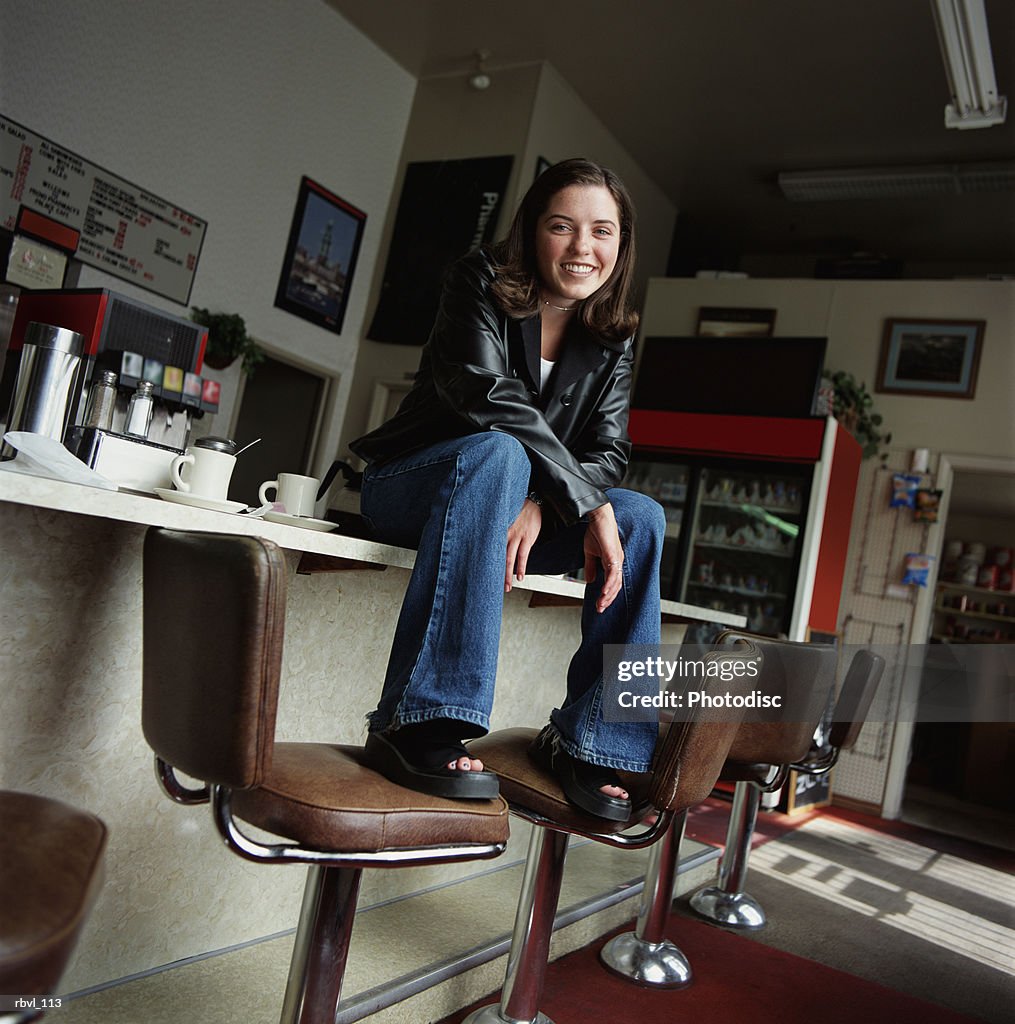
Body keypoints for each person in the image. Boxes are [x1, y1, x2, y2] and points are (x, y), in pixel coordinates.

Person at [350, 157, 665, 821]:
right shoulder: (479, 280)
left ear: (620, 244)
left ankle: (592, 739)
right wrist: (574, 499)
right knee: (497, 453)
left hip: (510, 500)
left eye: (602, 231)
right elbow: (486, 397)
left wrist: (543, 500)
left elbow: (607, 450)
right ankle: (420, 720)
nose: (584, 247)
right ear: (532, 231)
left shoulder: (610, 338)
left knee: (638, 517)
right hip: (414, 489)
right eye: (563, 226)